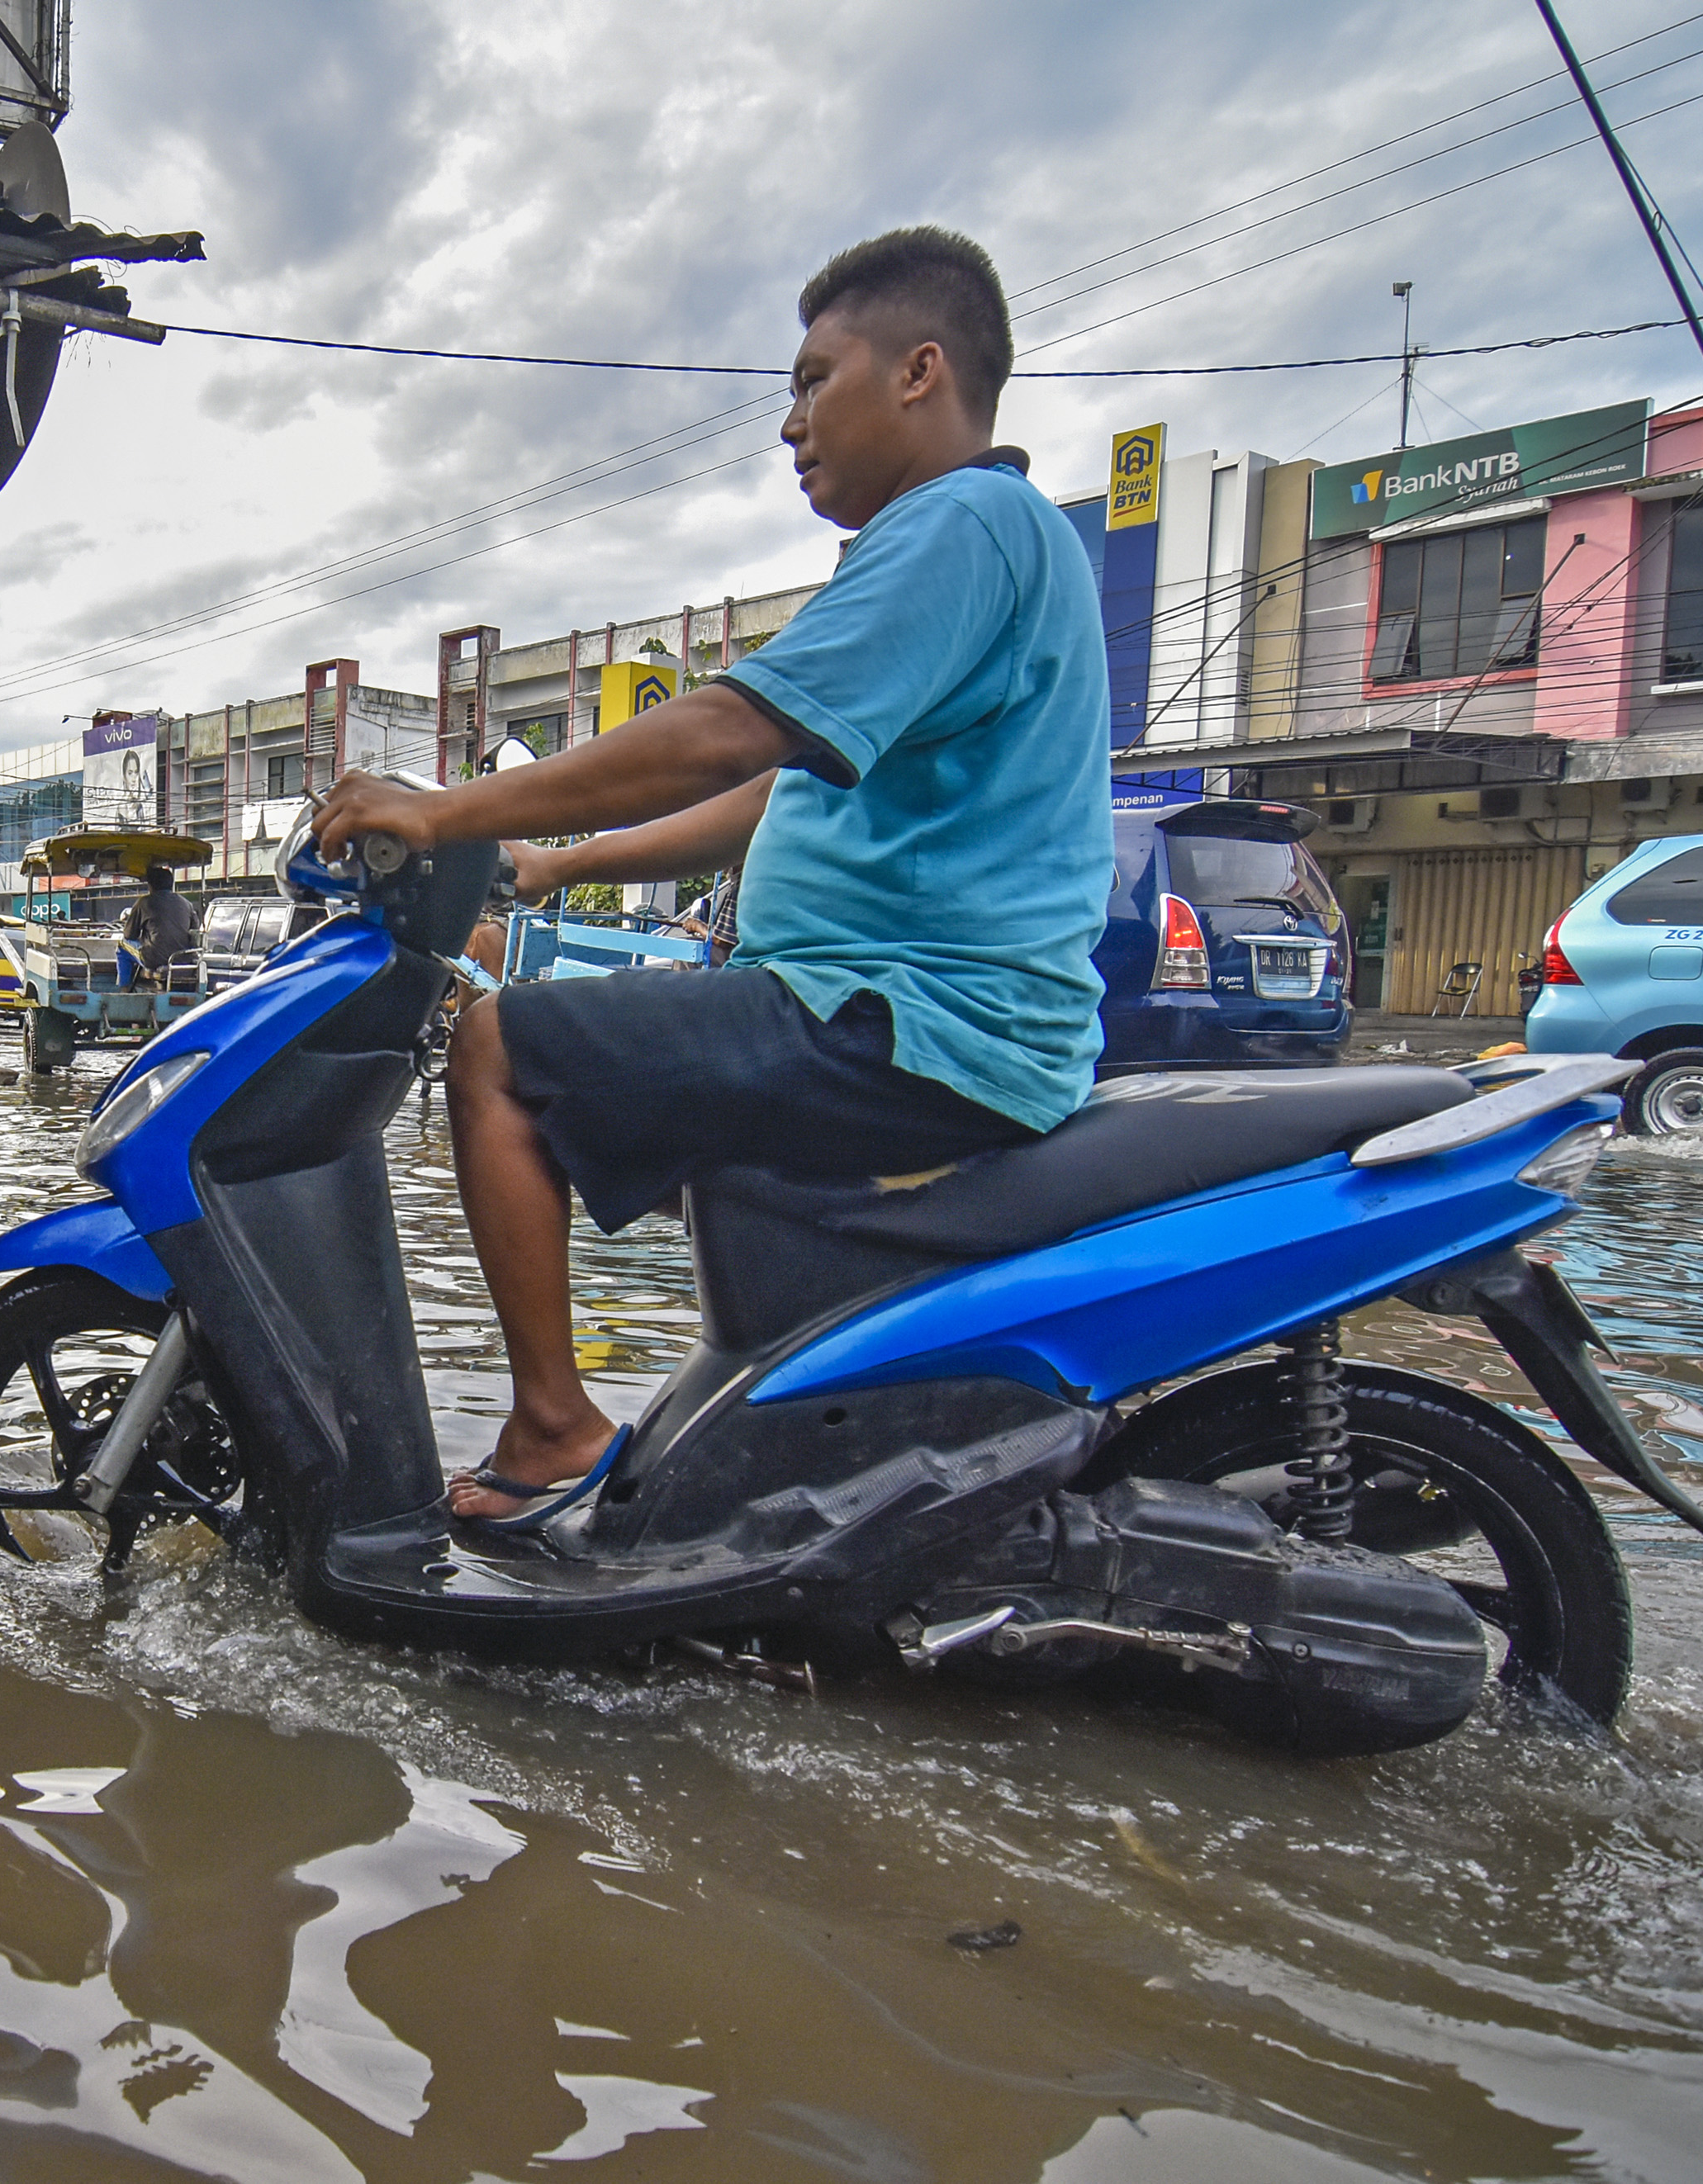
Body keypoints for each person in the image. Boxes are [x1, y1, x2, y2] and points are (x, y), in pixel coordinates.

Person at [311, 228, 1112, 1529]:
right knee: (662, 1104)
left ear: (919, 372)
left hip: (908, 1021)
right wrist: (549, 861)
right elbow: (775, 791)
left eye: (814, 381)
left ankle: (552, 1427)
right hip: (906, 1016)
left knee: (498, 1049)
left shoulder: (962, 523)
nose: (792, 423)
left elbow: (727, 733)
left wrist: (443, 807)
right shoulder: (978, 538)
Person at [122, 864, 197, 980]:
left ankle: (124, 986)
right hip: (183, 958)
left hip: (155, 959)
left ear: (150, 886)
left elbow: (129, 935)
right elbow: (194, 931)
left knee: (122, 945)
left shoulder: (144, 902)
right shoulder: (187, 904)